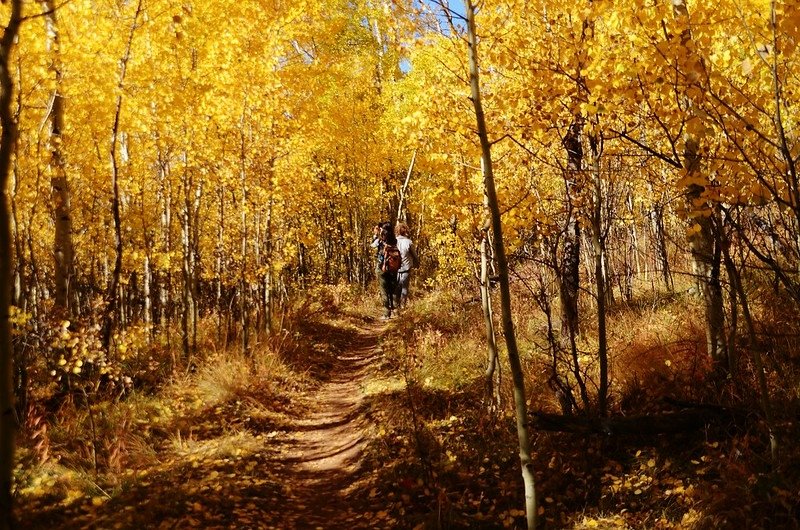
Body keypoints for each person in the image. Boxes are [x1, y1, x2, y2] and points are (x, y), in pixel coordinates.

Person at [374, 223, 398, 319]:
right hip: (393, 268)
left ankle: (386, 313)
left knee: (384, 290)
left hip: (382, 268)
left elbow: (372, 245)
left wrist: (376, 235)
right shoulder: (395, 241)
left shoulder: (380, 241)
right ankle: (395, 311)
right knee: (393, 289)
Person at [394, 222, 418, 310]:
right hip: (406, 268)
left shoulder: (394, 241)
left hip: (395, 268)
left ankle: (396, 307)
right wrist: (417, 263)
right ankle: (403, 308)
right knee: (404, 288)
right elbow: (415, 255)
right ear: (405, 231)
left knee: (396, 288)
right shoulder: (408, 242)